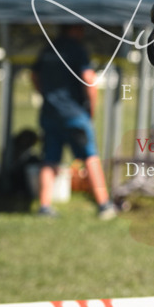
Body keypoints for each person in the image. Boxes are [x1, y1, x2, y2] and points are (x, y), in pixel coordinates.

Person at [31, 25, 116, 219]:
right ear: (76, 29)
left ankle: (44, 206)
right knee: (90, 157)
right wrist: (90, 111)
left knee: (50, 159)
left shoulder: (48, 48)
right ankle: (104, 205)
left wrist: (45, 94)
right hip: (75, 114)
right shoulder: (77, 49)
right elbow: (89, 80)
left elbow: (34, 75)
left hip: (49, 113)